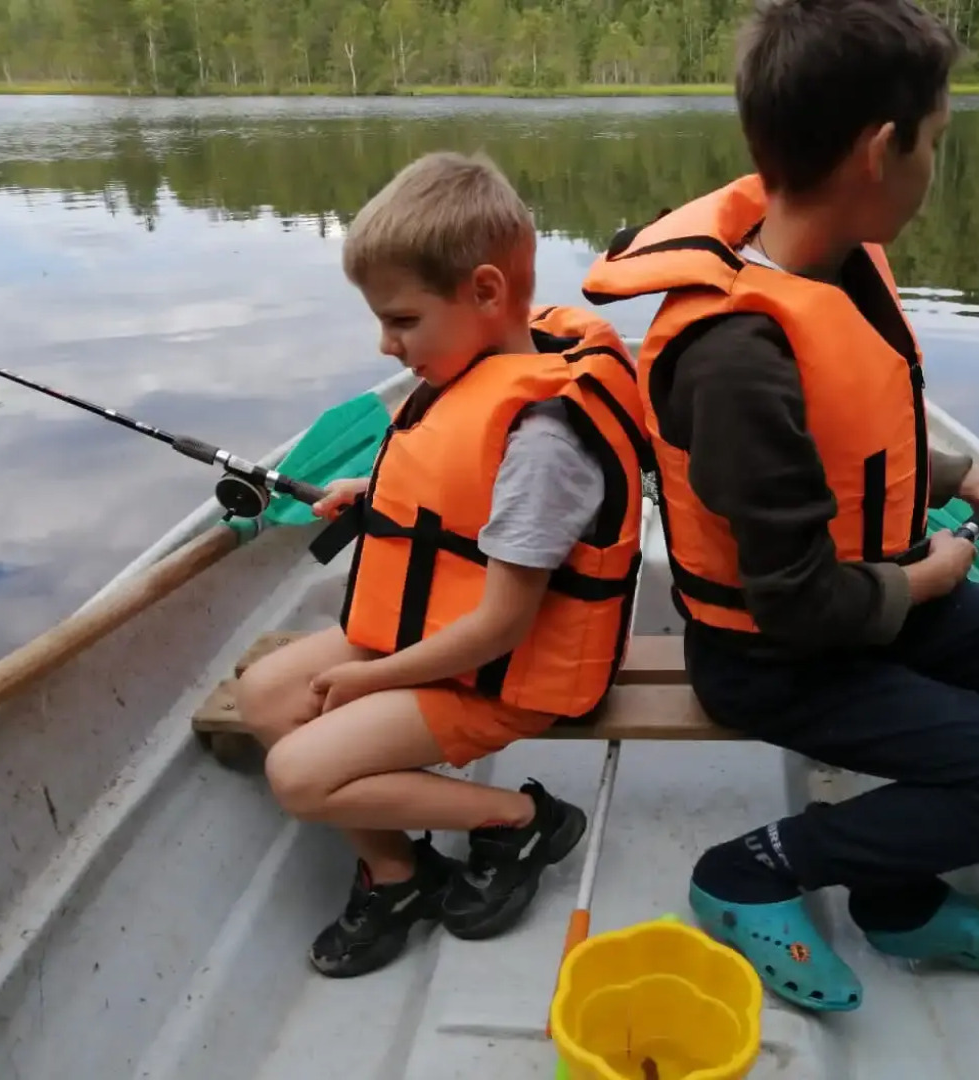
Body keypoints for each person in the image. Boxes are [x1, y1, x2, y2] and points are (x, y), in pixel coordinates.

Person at [580, 0, 979, 1013]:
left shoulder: (830, 260)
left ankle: (896, 888)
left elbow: (851, 444)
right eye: (935, 141)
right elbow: (790, 601)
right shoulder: (736, 357)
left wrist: (957, 478)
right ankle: (751, 870)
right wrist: (930, 580)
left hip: (860, 611)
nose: (935, 165)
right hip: (772, 659)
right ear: (881, 151)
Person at [236, 150, 649, 980]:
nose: (386, 345)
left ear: (487, 292)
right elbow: (457, 503)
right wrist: (372, 492)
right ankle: (398, 873)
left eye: (402, 320)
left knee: (296, 775)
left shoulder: (543, 442)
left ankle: (521, 821)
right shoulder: (480, 364)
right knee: (263, 695)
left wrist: (371, 679)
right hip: (435, 635)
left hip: (502, 677)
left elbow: (501, 626)